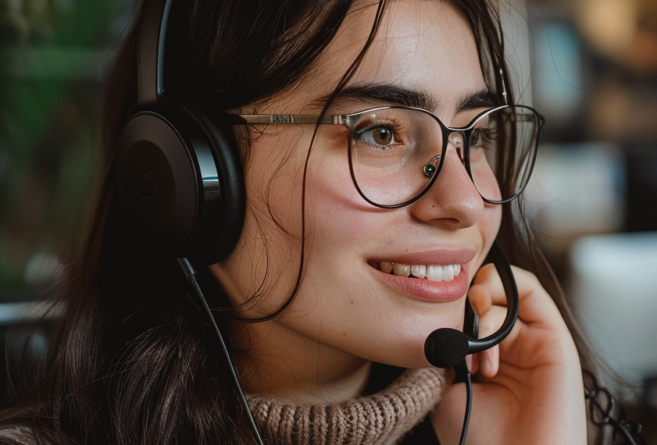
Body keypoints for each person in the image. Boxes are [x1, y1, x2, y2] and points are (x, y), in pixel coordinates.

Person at [0, 0, 607, 443]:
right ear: (185, 176)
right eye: (380, 132)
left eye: (477, 135)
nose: (467, 202)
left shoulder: (516, 422)